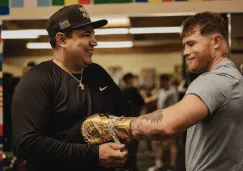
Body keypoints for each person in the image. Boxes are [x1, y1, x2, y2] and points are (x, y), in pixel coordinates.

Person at [82, 12, 243, 171]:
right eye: (184, 45)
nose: (185, 51)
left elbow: (164, 126)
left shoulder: (213, 81)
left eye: (192, 44)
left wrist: (111, 124)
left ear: (216, 41)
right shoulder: (234, 78)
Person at [11, 4, 135, 171]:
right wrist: (93, 154)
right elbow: (27, 143)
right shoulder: (37, 79)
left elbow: (128, 114)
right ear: (62, 40)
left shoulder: (97, 73)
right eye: (86, 35)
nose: (94, 42)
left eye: (93, 34)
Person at [148, 74, 178, 171]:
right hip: (160, 119)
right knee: (157, 142)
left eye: (161, 81)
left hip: (170, 120)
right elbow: (156, 102)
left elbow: (174, 107)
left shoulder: (172, 92)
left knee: (171, 144)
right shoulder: (160, 91)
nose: (159, 83)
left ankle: (172, 166)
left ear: (166, 81)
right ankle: (158, 164)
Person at [122, 73, 145, 171]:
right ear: (130, 80)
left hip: (123, 122)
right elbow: (142, 102)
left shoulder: (121, 90)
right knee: (133, 147)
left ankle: (126, 166)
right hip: (134, 121)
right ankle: (133, 167)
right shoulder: (133, 90)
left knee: (124, 146)